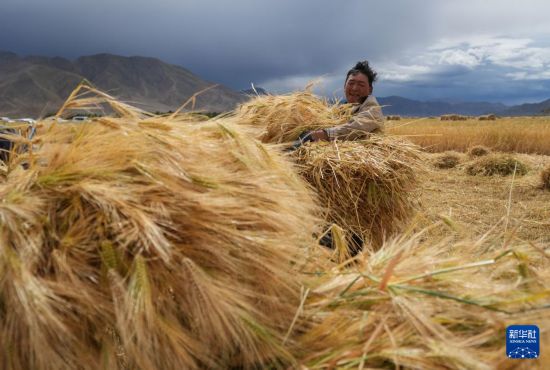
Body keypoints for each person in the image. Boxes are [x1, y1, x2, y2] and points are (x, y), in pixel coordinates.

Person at [295, 60, 384, 146]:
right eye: (351, 83)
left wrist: (319, 135)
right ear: (344, 86)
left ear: (370, 89)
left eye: (361, 85)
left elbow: (356, 127)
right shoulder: (342, 109)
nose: (354, 88)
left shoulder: (372, 108)